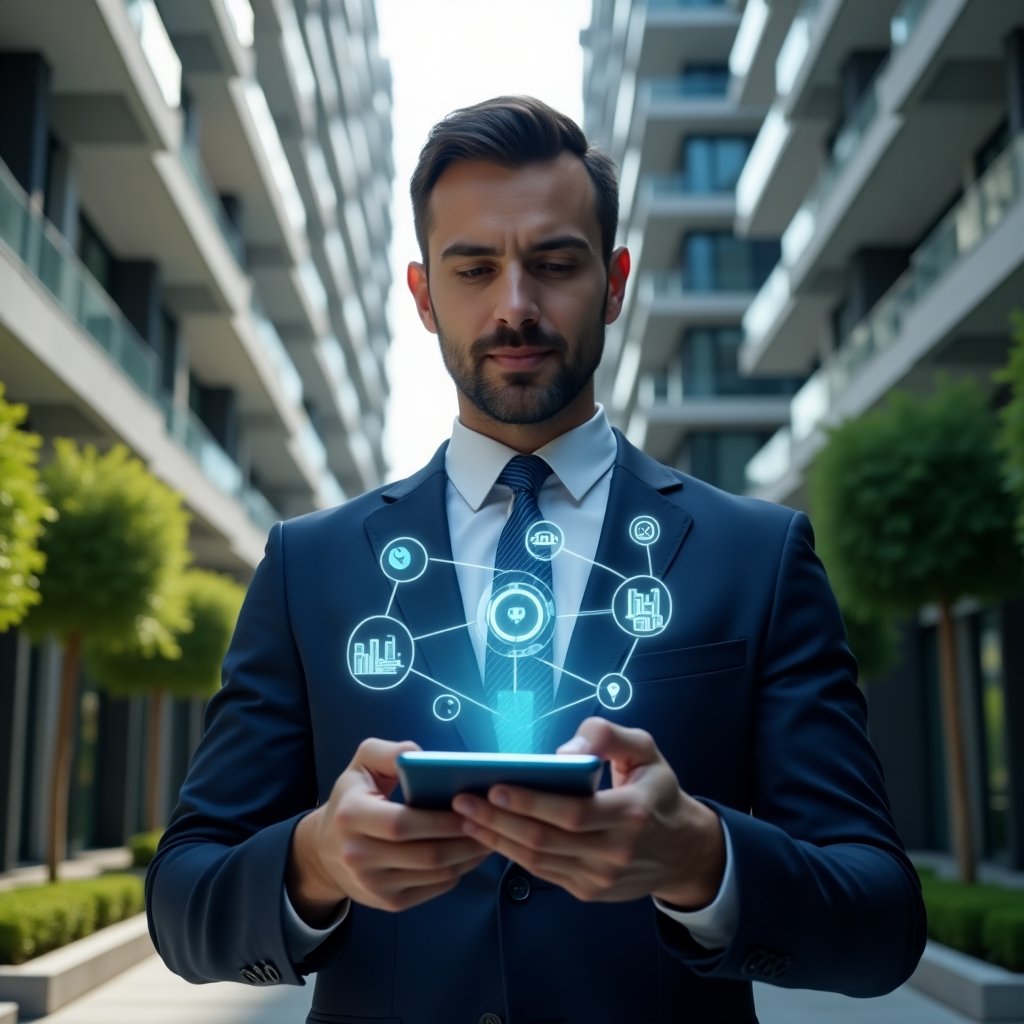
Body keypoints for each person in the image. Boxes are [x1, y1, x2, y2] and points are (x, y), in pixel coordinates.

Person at [146, 96, 927, 1024]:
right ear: (424, 295)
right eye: (474, 269)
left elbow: (880, 919)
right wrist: (313, 861)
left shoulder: (757, 557)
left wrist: (702, 859)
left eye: (555, 264)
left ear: (615, 281)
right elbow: (183, 899)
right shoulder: (307, 566)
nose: (514, 307)